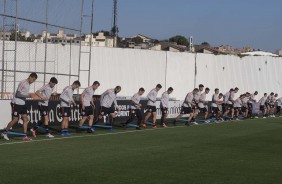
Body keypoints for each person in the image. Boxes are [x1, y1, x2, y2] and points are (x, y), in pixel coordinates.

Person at [1, 73, 38, 141]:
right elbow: (18, 94)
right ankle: (5, 132)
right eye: (33, 79)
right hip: (16, 103)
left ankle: (25, 136)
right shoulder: (23, 82)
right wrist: (29, 96)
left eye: (34, 80)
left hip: (22, 103)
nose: (33, 81)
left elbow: (24, 93)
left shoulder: (28, 84)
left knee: (25, 119)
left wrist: (30, 95)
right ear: (30, 77)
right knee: (15, 119)